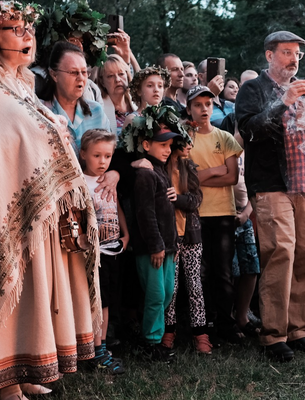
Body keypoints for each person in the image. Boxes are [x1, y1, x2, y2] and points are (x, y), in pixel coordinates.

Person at [0, 1, 101, 400]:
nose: (27, 36)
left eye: (29, 29)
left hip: (34, 207)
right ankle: (3, 381)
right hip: (0, 207)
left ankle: (26, 369)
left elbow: (30, 134)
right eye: (15, 29)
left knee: (33, 292)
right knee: (7, 287)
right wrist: (44, 138)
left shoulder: (22, 83)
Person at [235, 30, 305, 361]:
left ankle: (298, 329)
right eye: (287, 52)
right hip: (272, 184)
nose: (294, 59)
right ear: (269, 55)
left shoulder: (304, 90)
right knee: (281, 253)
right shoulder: (253, 89)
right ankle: (273, 336)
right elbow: (248, 129)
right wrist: (283, 102)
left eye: (297, 54)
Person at [185, 85, 244, 344]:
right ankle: (204, 324)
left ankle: (226, 325)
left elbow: (232, 176)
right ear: (189, 109)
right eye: (198, 105)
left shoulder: (225, 138)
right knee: (200, 272)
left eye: (208, 104)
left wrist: (201, 176)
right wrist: (213, 170)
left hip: (222, 213)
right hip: (195, 213)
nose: (203, 109)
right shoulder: (185, 139)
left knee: (223, 271)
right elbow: (186, 182)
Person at [122, 107, 180, 362]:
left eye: (170, 145)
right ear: (146, 144)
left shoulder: (160, 172)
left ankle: (152, 337)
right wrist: (156, 245)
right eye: (162, 145)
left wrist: (172, 245)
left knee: (167, 293)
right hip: (152, 248)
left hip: (167, 247)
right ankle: (151, 343)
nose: (168, 149)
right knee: (156, 295)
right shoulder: (145, 174)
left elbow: (168, 214)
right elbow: (145, 214)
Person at [79, 129, 129, 375]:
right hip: (92, 256)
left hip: (112, 251)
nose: (103, 161)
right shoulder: (80, 182)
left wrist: (126, 234)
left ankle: (102, 348)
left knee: (107, 302)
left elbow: (116, 205)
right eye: (97, 155)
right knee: (95, 303)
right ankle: (93, 351)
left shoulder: (108, 180)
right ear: (83, 154)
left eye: (107, 156)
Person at [159, 135, 213, 355]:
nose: (191, 145)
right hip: (170, 238)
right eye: (186, 141)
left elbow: (196, 199)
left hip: (191, 237)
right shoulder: (160, 168)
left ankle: (200, 334)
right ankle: (168, 332)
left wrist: (177, 199)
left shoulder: (188, 167)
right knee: (170, 288)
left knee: (194, 287)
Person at [40, 41, 111, 154]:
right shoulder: (42, 112)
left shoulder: (96, 111)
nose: (81, 78)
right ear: (54, 75)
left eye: (84, 72)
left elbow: (110, 152)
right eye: (73, 72)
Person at [231, 127, 262, 338]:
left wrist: (246, 214)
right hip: (225, 217)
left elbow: (255, 189)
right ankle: (230, 318)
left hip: (245, 217)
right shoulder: (223, 150)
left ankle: (242, 316)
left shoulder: (251, 155)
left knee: (251, 268)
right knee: (232, 272)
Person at [96, 54, 135, 136]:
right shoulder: (98, 110)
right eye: (110, 76)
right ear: (102, 82)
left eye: (121, 74)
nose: (117, 79)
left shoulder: (137, 103)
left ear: (127, 76)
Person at [197, 59, 234, 127]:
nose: (218, 76)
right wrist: (209, 93)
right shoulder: (198, 107)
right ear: (201, 77)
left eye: (221, 72)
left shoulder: (231, 105)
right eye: (213, 71)